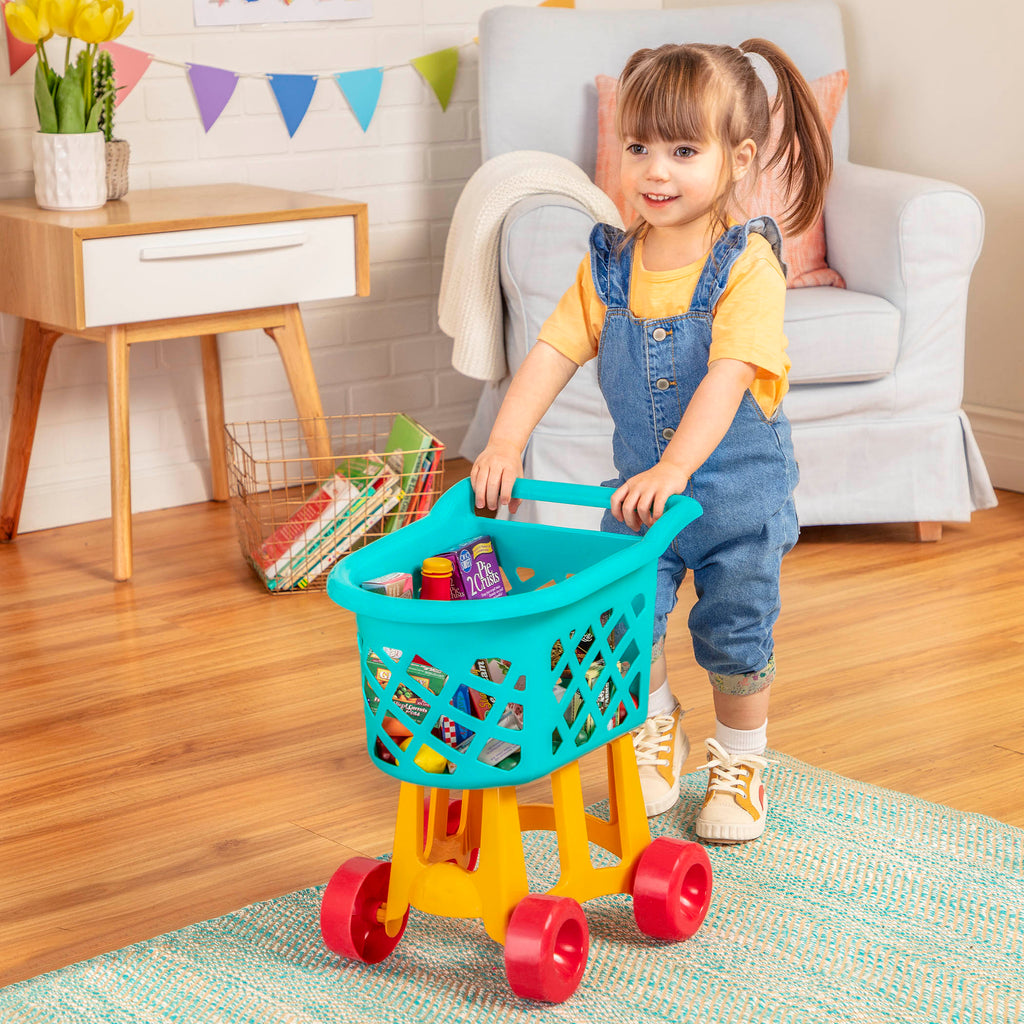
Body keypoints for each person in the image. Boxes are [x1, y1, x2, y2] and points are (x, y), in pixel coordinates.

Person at [471, 40, 833, 843]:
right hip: (643, 497)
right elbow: (552, 350)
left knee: (735, 635)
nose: (654, 171)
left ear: (736, 160)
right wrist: (504, 442)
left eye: (682, 150)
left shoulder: (748, 266)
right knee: (622, 622)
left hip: (733, 495)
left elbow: (729, 375)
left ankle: (742, 761)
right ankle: (653, 725)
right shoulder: (609, 266)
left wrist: (676, 466)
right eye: (638, 148)